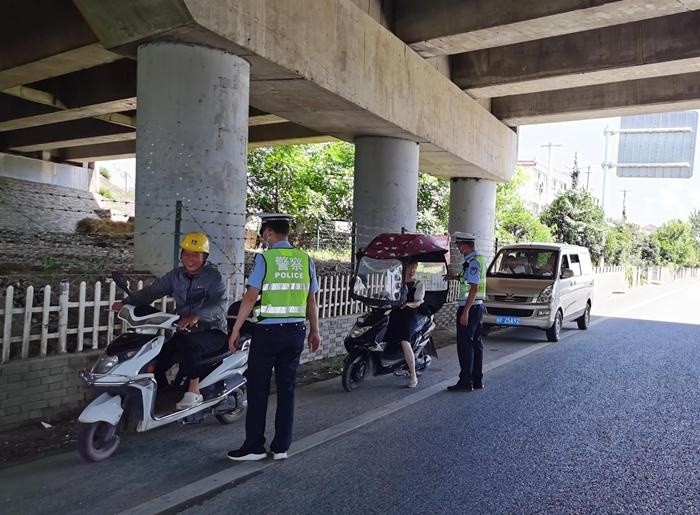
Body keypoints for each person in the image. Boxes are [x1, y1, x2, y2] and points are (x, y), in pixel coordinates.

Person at [227, 214, 321, 462]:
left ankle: (254, 446)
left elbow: (250, 297)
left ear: (269, 232)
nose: (263, 239)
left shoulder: (265, 259)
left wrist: (236, 329)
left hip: (267, 333)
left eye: (263, 234)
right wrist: (315, 330)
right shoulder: (305, 260)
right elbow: (311, 299)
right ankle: (281, 447)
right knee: (287, 389)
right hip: (295, 333)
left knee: (258, 388)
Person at [111, 232, 227, 410]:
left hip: (212, 331)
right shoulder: (176, 276)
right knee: (157, 360)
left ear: (205, 257)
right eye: (186, 253)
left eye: (195, 255)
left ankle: (194, 391)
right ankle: (164, 395)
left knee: (190, 345)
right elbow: (152, 292)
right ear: (181, 255)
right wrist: (126, 303)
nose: (190, 259)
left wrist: (198, 315)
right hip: (184, 332)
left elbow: (219, 304)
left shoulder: (213, 277)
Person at [444, 232, 486, 392]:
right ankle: (476, 380)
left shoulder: (473, 262)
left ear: (465, 245)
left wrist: (465, 312)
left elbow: (473, 289)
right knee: (476, 344)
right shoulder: (477, 259)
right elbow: (469, 281)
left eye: (458, 245)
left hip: (470, 307)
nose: (458, 248)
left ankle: (465, 382)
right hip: (477, 307)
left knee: (465, 345)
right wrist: (454, 277)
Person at [383, 260, 425, 388]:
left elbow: (418, 302)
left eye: (415, 267)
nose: (412, 270)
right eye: (410, 266)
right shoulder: (397, 281)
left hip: (409, 315)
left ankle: (413, 375)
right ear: (403, 268)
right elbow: (387, 294)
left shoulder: (419, 284)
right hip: (395, 313)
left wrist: (408, 304)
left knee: (404, 341)